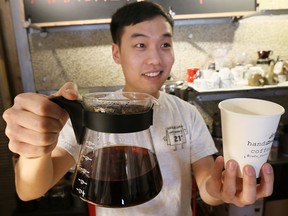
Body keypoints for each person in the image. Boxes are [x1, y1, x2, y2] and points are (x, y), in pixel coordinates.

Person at [3, 1, 274, 216]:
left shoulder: (186, 113)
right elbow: (29, 190)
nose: (155, 58)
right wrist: (34, 150)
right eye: (140, 44)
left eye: (165, 44)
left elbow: (206, 184)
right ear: (116, 53)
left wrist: (219, 189)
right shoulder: (96, 113)